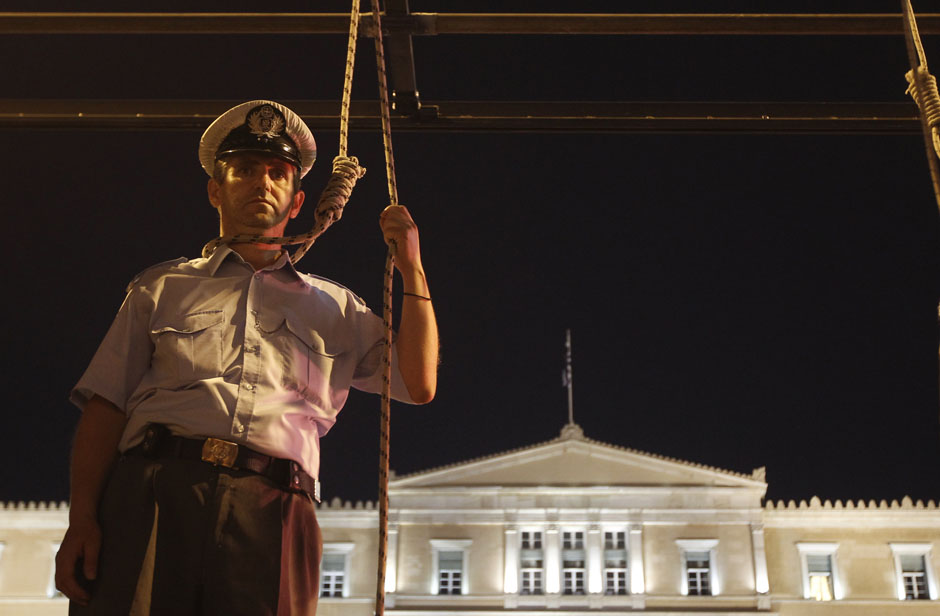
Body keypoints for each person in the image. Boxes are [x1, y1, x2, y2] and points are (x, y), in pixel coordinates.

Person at [54, 100, 439, 615]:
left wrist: (411, 268)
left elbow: (418, 383)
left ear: (298, 200)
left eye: (278, 174)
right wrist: (83, 520)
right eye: (245, 170)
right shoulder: (162, 287)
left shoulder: (336, 308)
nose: (263, 183)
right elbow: (106, 408)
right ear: (217, 188)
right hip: (155, 493)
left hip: (274, 510)